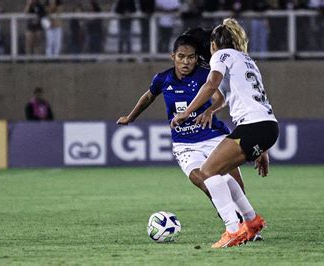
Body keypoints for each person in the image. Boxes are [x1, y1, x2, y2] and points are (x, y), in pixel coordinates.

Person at [116, 33, 265, 243]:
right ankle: (235, 223)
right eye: (181, 57)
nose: (186, 62)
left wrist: (210, 111)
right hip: (185, 143)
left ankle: (248, 227)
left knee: (236, 186)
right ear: (173, 56)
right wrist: (131, 117)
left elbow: (220, 98)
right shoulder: (163, 79)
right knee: (204, 181)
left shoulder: (205, 75)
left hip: (214, 136)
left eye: (191, 57)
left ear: (197, 58)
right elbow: (148, 96)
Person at [171, 18, 279, 248]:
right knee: (221, 172)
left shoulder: (222, 56)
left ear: (213, 45)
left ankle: (232, 229)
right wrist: (263, 150)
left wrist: (185, 113)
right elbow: (230, 98)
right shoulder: (246, 60)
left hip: (251, 127)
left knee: (208, 171)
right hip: (267, 126)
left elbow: (210, 85)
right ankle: (252, 221)